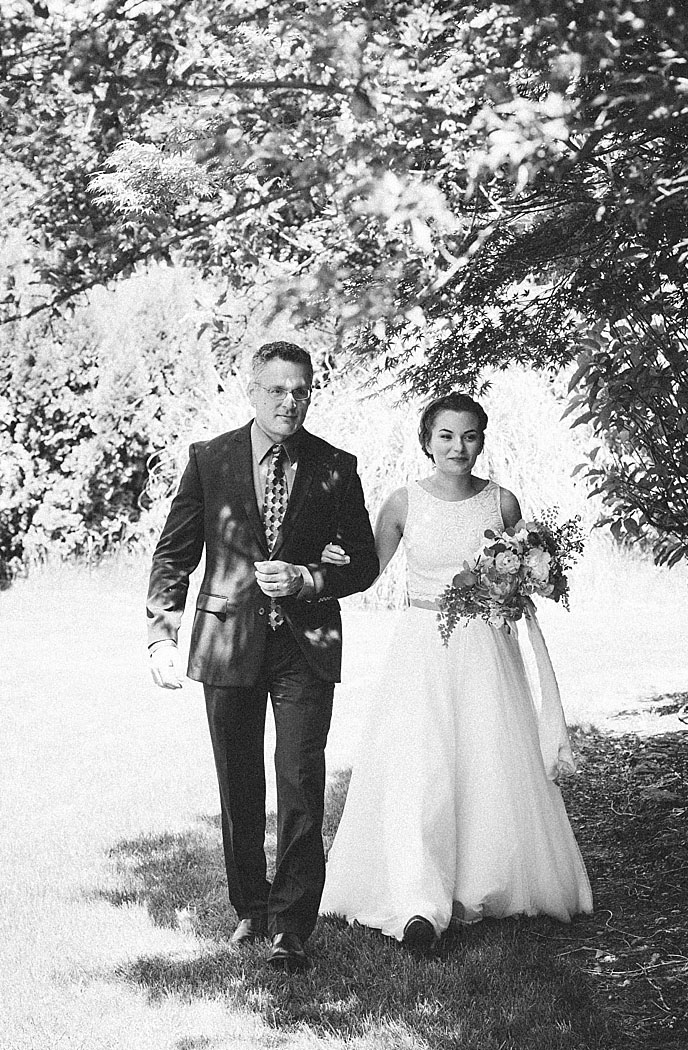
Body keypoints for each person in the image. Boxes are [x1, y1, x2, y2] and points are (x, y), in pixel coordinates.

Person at [320, 392, 593, 949]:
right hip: (423, 647)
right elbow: (368, 572)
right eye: (445, 436)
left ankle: (483, 880)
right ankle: (416, 897)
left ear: (482, 441)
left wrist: (531, 576)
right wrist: (328, 564)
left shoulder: (502, 503)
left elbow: (534, 573)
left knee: (488, 759)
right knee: (420, 764)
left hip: (489, 648)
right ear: (427, 442)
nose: (457, 447)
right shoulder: (402, 503)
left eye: (469, 436)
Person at [147, 340, 379, 970]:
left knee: (301, 779)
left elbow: (363, 560)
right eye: (276, 390)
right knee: (239, 780)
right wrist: (161, 634)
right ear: (252, 392)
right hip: (227, 643)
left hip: (307, 648)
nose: (290, 401)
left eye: (301, 389)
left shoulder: (336, 465)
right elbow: (175, 553)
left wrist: (311, 579)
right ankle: (250, 909)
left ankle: (292, 924)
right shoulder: (210, 459)